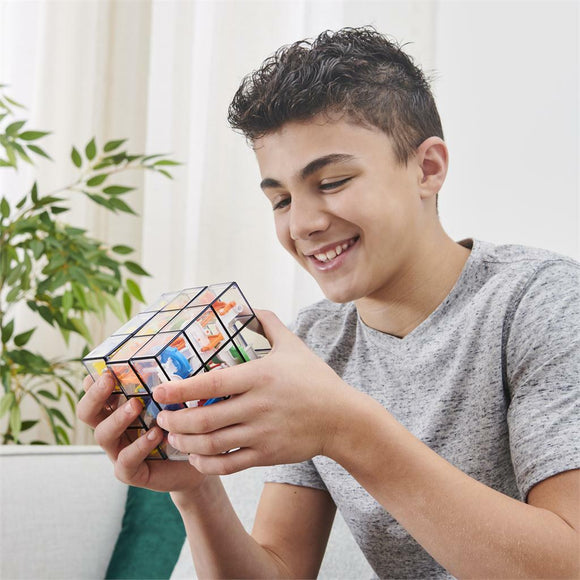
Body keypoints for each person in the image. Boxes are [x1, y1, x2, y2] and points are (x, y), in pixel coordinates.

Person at [78, 27, 579, 578]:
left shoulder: (542, 303)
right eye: (281, 199)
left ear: (428, 168)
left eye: (334, 181)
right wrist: (196, 489)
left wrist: (343, 426)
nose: (304, 224)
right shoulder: (315, 342)